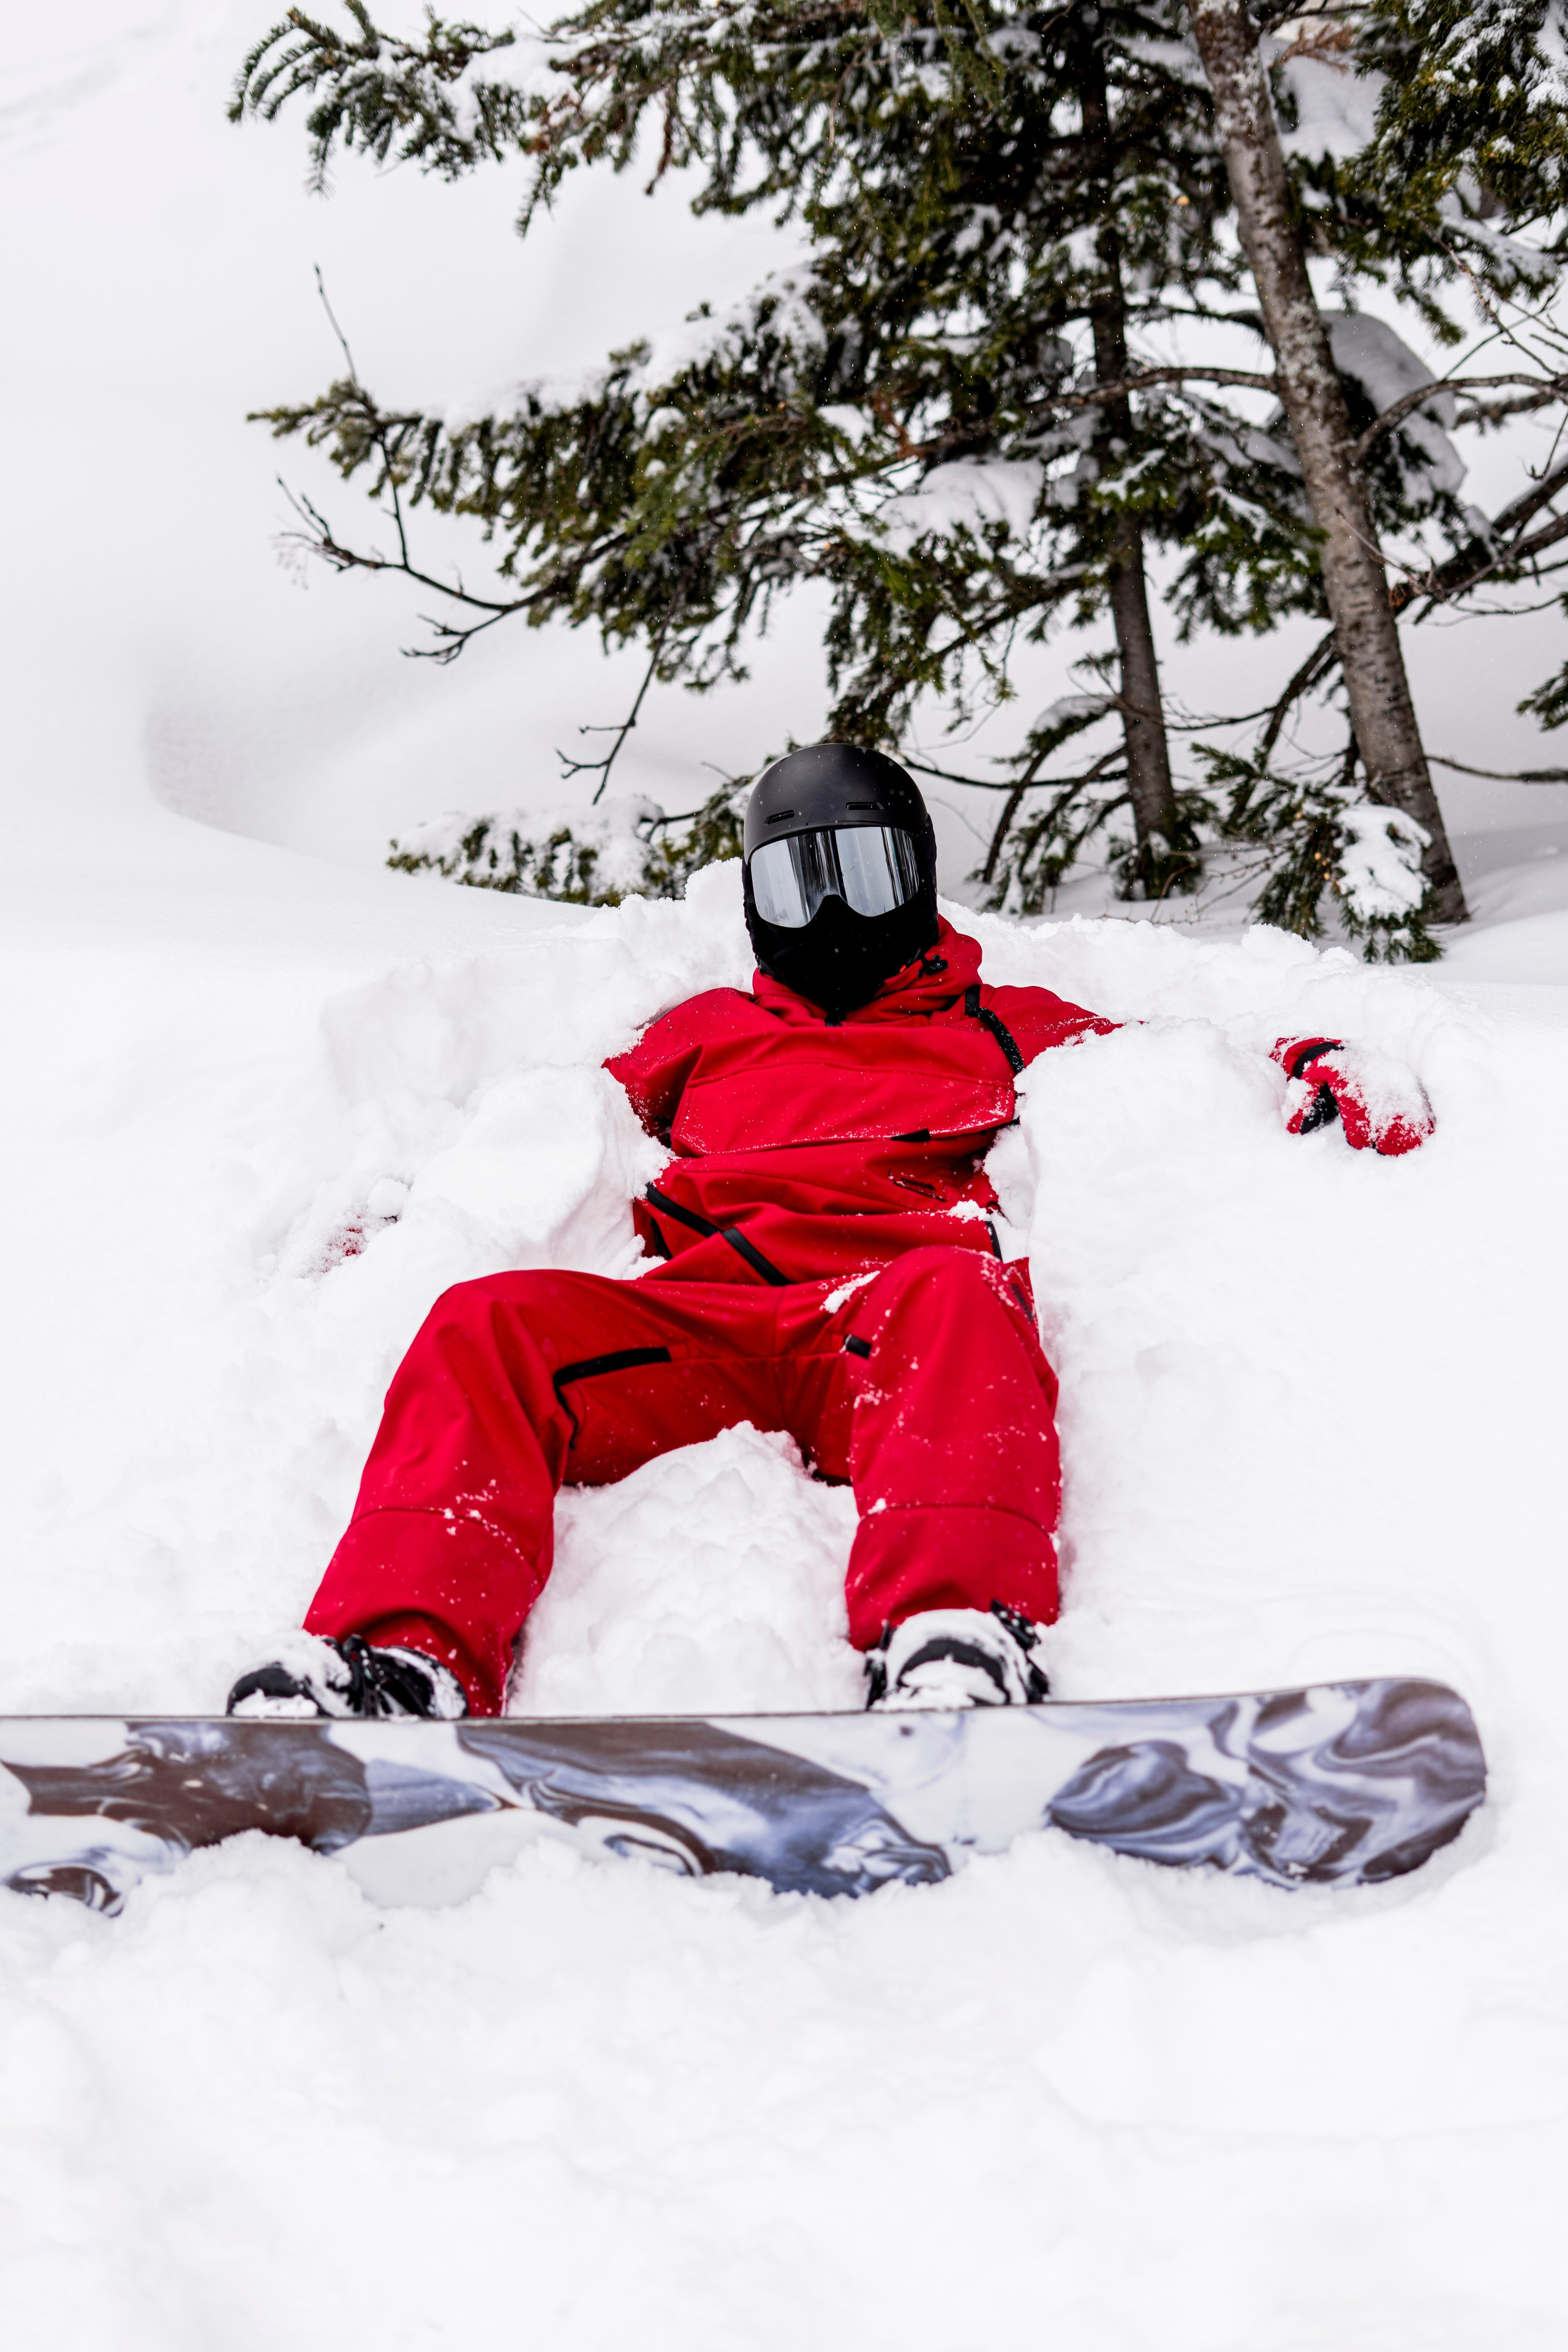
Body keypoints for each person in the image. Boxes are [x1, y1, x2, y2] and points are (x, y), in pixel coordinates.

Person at [228, 745, 1434, 1724]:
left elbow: (1166, 1062)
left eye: (859, 872)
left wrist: (1301, 1062)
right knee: (484, 1319)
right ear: (756, 899)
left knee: (963, 1290)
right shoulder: (697, 1032)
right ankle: (399, 1658)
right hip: (700, 1324)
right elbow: (543, 1131)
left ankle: (952, 1637)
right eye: (798, 882)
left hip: (885, 1325)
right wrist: (414, 1215)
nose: (832, 912)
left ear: (911, 874)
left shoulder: (996, 1020)